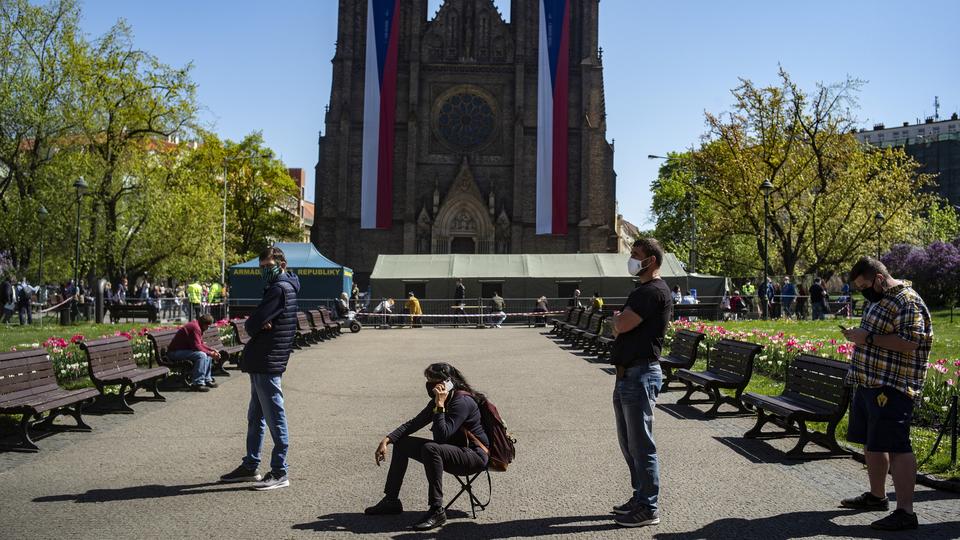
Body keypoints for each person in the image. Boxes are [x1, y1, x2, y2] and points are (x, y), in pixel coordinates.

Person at [839, 257, 932, 531]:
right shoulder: (877, 299)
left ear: (879, 279)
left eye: (865, 285)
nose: (863, 291)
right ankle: (877, 496)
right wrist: (859, 335)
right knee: (873, 442)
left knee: (897, 445)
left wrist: (866, 338)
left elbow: (910, 341)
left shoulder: (907, 301)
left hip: (894, 385)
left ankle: (906, 512)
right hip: (869, 382)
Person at [365, 362, 489, 531]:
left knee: (431, 448)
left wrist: (440, 405)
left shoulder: (462, 402)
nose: (429, 385)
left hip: (473, 457)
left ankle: (437, 510)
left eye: (433, 380)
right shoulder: (442, 399)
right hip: (453, 451)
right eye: (428, 380)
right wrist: (387, 440)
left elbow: (441, 437)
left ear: (447, 383)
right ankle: (391, 500)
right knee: (402, 443)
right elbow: (415, 423)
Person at [220, 246, 300, 491]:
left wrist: (258, 323)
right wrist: (259, 322)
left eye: (268, 267)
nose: (264, 271)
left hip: (268, 359)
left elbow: (252, 325)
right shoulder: (285, 286)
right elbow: (258, 322)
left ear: (281, 264)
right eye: (261, 268)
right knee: (256, 416)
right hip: (265, 358)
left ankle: (279, 471)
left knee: (274, 416)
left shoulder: (278, 289)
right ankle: (251, 465)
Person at [609, 238, 672, 528]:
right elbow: (623, 325)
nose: (632, 259)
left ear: (652, 261)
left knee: (641, 444)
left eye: (636, 255)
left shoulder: (652, 292)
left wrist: (617, 322)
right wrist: (620, 322)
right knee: (629, 444)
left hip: (640, 374)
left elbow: (621, 325)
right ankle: (639, 497)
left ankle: (649, 507)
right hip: (628, 375)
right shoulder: (643, 291)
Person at [168, 313, 220, 391]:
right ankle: (198, 383)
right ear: (204, 324)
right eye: (208, 326)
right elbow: (196, 347)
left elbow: (200, 344)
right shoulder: (195, 328)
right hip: (174, 353)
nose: (208, 328)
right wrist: (210, 353)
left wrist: (211, 350)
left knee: (207, 355)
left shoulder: (198, 326)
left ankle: (207, 379)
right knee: (202, 355)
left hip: (183, 351)